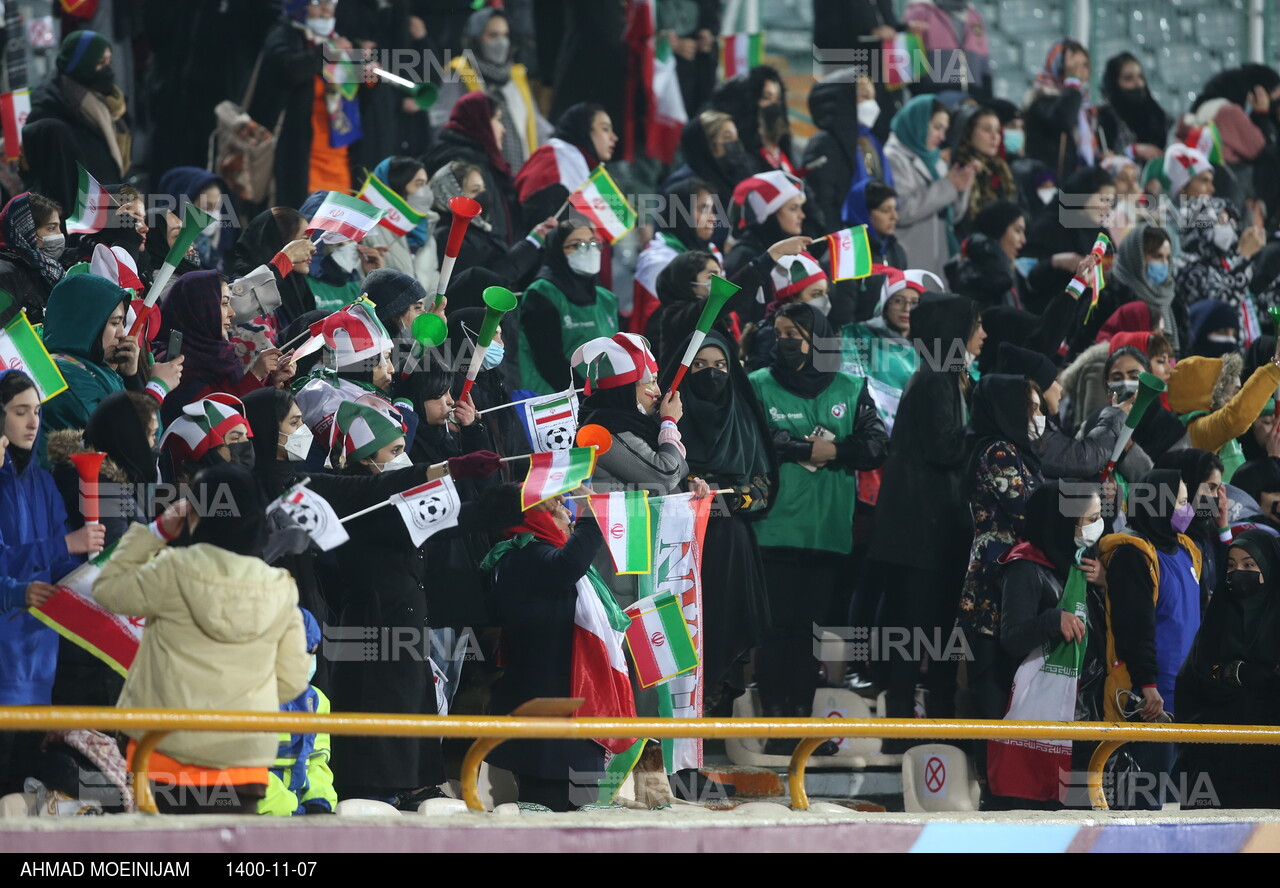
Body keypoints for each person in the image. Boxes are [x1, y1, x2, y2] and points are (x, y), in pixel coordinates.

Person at [325, 399, 514, 808]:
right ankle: (374, 787)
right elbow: (390, 493)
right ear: (364, 459)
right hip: (371, 624)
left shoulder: (389, 496)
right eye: (393, 452)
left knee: (413, 699)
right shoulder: (356, 497)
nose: (403, 457)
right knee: (379, 704)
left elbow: (453, 520)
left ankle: (415, 782)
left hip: (407, 620)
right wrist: (450, 469)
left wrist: (506, 502)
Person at [94, 463, 310, 814]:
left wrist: (156, 530)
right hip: (244, 761)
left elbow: (106, 589)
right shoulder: (280, 588)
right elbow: (293, 680)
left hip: (161, 754)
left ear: (196, 514)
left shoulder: (172, 568)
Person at [748, 301, 887, 750]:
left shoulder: (850, 385)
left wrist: (836, 453)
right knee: (776, 631)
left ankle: (800, 725)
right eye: (781, 332)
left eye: (797, 334)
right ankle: (775, 729)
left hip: (826, 531)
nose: (786, 341)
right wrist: (798, 449)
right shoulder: (758, 385)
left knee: (808, 632)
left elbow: (877, 444)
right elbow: (751, 439)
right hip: (773, 529)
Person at [873, 294, 984, 724]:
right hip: (923, 537)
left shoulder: (944, 376)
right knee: (921, 632)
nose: (983, 334)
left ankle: (929, 720)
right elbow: (945, 448)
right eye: (977, 324)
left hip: (927, 534)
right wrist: (986, 431)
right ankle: (909, 726)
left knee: (929, 632)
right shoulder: (937, 378)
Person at [481, 494, 625, 811]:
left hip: (569, 709)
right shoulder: (524, 556)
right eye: (557, 509)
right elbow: (569, 565)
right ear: (537, 519)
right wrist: (592, 516)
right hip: (547, 714)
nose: (567, 515)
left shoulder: (531, 555)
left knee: (582, 810)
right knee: (546, 811)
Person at [660, 329, 777, 709]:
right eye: (700, 365)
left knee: (723, 630)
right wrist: (688, 485)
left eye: (721, 366)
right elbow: (654, 480)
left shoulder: (742, 416)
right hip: (678, 544)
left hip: (729, 545)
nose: (712, 374)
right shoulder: (663, 419)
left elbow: (761, 490)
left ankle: (714, 725)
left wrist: (723, 500)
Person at [0, 370, 101, 795]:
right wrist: (64, 544)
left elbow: (59, 561)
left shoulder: (41, 481)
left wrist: (94, 571)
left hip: (39, 663)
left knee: (20, 784)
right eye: (20, 412)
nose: (32, 422)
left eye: (37, 412)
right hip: (5, 661)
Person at [45, 390, 159, 709]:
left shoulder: (108, 479)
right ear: (127, 437)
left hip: (88, 647)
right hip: (91, 656)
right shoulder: (98, 488)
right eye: (148, 435)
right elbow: (119, 565)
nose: (152, 446)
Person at [1098, 469, 1203, 807]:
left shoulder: (1188, 552)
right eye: (1182, 502)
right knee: (1141, 807)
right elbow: (1134, 626)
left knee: (1176, 809)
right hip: (1150, 703)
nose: (1188, 509)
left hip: (1185, 700)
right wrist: (1147, 684)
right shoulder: (1134, 555)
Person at [995, 480, 1103, 803]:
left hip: (1084, 716)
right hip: (1040, 716)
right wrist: (1051, 621)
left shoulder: (1084, 565)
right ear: (1063, 521)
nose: (1097, 527)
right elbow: (1012, 638)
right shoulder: (1026, 568)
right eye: (1090, 519)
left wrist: (1107, 587)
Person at [958, 374, 1046, 720]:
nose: (1040, 417)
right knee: (992, 686)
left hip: (1016, 577)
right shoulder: (999, 451)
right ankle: (987, 771)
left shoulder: (1022, 455)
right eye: (1033, 408)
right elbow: (1028, 514)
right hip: (996, 578)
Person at [1176, 529, 1280, 808]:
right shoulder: (1218, 618)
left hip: (1271, 764)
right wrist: (1233, 674)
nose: (1237, 573)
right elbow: (1197, 676)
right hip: (1216, 758)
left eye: (1249, 565)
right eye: (1231, 565)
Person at [39, 274, 183, 438]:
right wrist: (157, 388)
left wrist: (131, 376)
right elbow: (137, 444)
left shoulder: (92, 367)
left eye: (122, 323)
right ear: (87, 323)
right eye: (115, 323)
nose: (122, 333)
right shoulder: (69, 380)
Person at [250, 2, 361, 208]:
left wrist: (367, 77)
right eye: (319, 3)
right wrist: (326, 53)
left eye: (332, 3)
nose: (327, 10)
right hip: (299, 158)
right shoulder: (283, 36)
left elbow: (351, 96)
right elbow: (289, 72)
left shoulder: (338, 42)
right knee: (298, 226)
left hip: (338, 158)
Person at [158, 271, 294, 426]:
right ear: (199, 307)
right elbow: (216, 423)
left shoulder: (220, 353)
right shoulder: (175, 365)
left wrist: (272, 380)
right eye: (224, 303)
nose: (232, 312)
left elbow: (244, 409)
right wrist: (255, 375)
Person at [436, 6, 550, 174]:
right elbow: (441, 126)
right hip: (477, 177)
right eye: (493, 35)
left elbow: (537, 127)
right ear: (475, 39)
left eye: (505, 35)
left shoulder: (516, 76)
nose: (501, 42)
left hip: (521, 175)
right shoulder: (459, 72)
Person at [517, 218, 619, 395]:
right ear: (557, 250)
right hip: (558, 401)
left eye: (592, 242)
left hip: (604, 397)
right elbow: (548, 360)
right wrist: (586, 397)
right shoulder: (542, 292)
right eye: (576, 244)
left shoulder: (606, 298)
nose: (588, 249)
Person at [883, 95, 975, 280]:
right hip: (910, 257)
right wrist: (949, 185)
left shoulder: (934, 159)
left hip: (938, 259)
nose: (942, 137)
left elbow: (952, 216)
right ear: (918, 122)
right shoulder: (893, 157)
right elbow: (903, 210)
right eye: (937, 127)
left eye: (945, 130)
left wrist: (962, 185)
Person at [429, 160, 554, 289]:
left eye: (484, 188)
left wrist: (536, 240)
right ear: (451, 195)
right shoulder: (448, 235)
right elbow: (492, 278)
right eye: (475, 190)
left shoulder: (480, 227)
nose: (484, 195)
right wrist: (531, 243)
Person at [260, 608, 336, 816]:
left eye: (313, 653)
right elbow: (245, 773)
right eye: (304, 653)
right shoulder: (246, 700)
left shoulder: (317, 700)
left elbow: (318, 762)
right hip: (262, 815)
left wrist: (319, 801)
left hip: (297, 813)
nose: (310, 663)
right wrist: (291, 809)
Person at [26, 30, 131, 183]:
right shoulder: (49, 112)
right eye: (100, 63)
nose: (108, 70)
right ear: (82, 63)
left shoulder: (107, 104)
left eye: (110, 62)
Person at [1166, 347, 1280, 482]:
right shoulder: (1196, 430)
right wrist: (1275, 369)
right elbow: (1235, 418)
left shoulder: (1220, 434)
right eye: (1234, 392)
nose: (1238, 400)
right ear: (1209, 396)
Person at [421, 92, 516, 251]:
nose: (503, 129)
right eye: (498, 119)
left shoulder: (481, 156)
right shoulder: (461, 162)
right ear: (481, 120)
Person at [805, 68, 892, 237]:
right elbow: (823, 203)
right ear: (844, 98)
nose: (872, 105)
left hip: (871, 238)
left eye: (873, 98)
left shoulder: (871, 141)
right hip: (843, 241)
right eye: (864, 97)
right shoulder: (824, 143)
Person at [632, 179, 723, 338]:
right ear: (681, 213)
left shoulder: (713, 253)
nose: (713, 218)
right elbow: (657, 329)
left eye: (712, 209)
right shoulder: (658, 261)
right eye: (703, 209)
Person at [1022, 167, 1115, 312]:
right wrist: (1055, 262)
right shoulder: (1048, 227)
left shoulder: (1100, 233)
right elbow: (1028, 282)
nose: (1107, 208)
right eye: (1103, 199)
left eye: (1111, 202)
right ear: (1083, 194)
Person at [723, 170, 812, 320]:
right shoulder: (742, 256)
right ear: (770, 214)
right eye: (793, 208)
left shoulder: (791, 251)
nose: (802, 215)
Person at [515, 102, 617, 229]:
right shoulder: (551, 159)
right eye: (605, 129)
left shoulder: (592, 168)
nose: (614, 137)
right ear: (583, 129)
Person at [360, 157, 439, 296]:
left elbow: (433, 277)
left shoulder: (428, 227)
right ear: (397, 186)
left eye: (426, 184)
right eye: (419, 184)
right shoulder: (369, 230)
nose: (426, 191)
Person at [660, 110, 752, 229]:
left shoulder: (734, 176)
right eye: (727, 137)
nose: (735, 144)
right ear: (707, 144)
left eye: (736, 137)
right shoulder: (682, 184)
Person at [1156, 449, 1230, 597]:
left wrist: (1223, 528)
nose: (1216, 498)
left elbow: (1224, 576)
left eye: (1218, 489)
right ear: (1188, 485)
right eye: (1210, 488)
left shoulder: (1202, 528)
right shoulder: (1164, 538)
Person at [741, 253, 830, 373]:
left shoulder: (820, 327)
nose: (824, 300)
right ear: (793, 299)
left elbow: (829, 374)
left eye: (825, 293)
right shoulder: (769, 335)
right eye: (816, 294)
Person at [1024, 40, 1099, 179]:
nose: (1079, 71)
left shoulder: (1086, 107)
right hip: (1052, 182)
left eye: (1085, 65)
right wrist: (1072, 83)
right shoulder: (1041, 100)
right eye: (1073, 65)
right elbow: (1065, 119)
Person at [645, 250, 730, 371]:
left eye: (721, 275)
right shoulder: (672, 315)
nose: (721, 282)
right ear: (688, 280)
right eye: (713, 275)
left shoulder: (724, 318)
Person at [230, 208, 316, 326]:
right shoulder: (242, 288)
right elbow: (237, 309)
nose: (312, 249)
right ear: (278, 242)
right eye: (305, 239)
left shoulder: (299, 289)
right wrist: (287, 257)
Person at [709, 67, 797, 177]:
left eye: (778, 99)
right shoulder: (742, 159)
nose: (774, 106)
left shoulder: (784, 151)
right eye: (766, 98)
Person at [945, 200, 1028, 309]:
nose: (1023, 240)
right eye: (1017, 231)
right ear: (998, 228)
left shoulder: (1005, 268)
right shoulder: (978, 275)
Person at [903, 0, 992, 98]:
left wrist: (987, 95)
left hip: (973, 96)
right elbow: (909, 55)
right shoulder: (920, 11)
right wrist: (923, 91)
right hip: (934, 97)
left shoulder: (975, 17)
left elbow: (983, 54)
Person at [0, 192, 65, 324]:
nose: (60, 234)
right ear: (27, 232)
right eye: (51, 228)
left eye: (59, 227)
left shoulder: (50, 270)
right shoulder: (6, 275)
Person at [952, 105, 1017, 229]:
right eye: (987, 130)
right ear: (968, 133)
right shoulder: (958, 170)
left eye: (998, 131)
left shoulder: (1003, 170)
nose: (995, 137)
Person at [1097, 53, 1170, 162]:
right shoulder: (1105, 116)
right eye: (1128, 78)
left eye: (1140, 77)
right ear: (1114, 83)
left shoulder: (1156, 113)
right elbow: (1104, 160)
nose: (1138, 84)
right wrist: (1134, 150)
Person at [155, 166, 230, 271]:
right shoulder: (160, 255)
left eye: (217, 208)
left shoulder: (217, 254)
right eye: (206, 207)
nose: (213, 215)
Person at [843, 179, 907, 269]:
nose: (895, 217)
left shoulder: (896, 250)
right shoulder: (847, 254)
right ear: (864, 213)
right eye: (885, 210)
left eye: (895, 209)